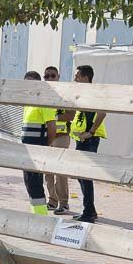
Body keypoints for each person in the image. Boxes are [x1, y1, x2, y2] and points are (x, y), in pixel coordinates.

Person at [71, 64, 107, 223]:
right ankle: (90, 210)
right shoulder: (83, 94)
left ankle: (88, 212)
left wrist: (90, 132)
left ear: (86, 77)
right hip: (82, 139)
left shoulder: (93, 94)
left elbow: (102, 112)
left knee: (85, 176)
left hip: (89, 139)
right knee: (81, 175)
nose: (75, 79)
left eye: (77, 76)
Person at [19, 70, 57, 215]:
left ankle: (41, 217)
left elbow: (52, 127)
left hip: (37, 150)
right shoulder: (28, 103)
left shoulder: (43, 101)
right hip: (27, 151)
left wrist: (45, 147)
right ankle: (36, 214)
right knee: (29, 183)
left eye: (31, 84)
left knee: (35, 185)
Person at [42, 65, 74, 214]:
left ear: (58, 76)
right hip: (47, 137)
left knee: (60, 171)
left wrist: (53, 118)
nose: (49, 78)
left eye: (52, 75)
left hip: (61, 137)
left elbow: (71, 115)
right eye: (46, 76)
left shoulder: (65, 94)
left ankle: (64, 202)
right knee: (47, 172)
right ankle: (52, 200)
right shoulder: (43, 94)